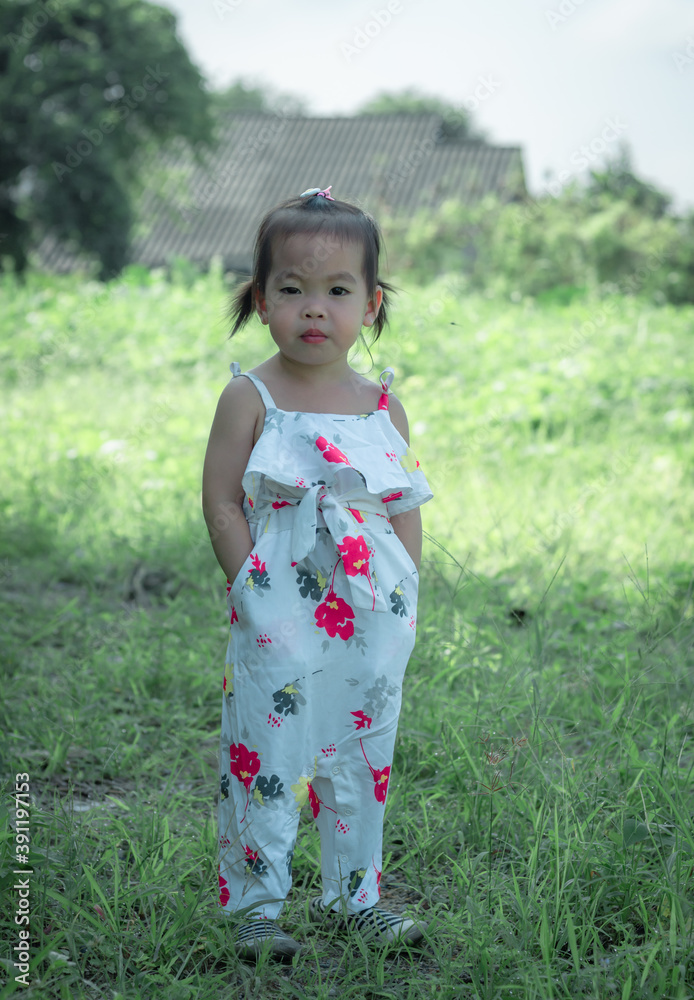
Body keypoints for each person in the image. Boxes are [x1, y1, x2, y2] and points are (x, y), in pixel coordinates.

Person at [202, 185, 433, 959]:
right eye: (293, 288)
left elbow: (403, 504)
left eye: (337, 291)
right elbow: (221, 499)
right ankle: (255, 907)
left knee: (362, 748)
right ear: (261, 300)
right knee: (268, 748)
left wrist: (404, 596)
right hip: (279, 600)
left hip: (372, 607)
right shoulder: (251, 396)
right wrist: (249, 584)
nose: (314, 308)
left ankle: (355, 897)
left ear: (370, 305)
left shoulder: (380, 406)